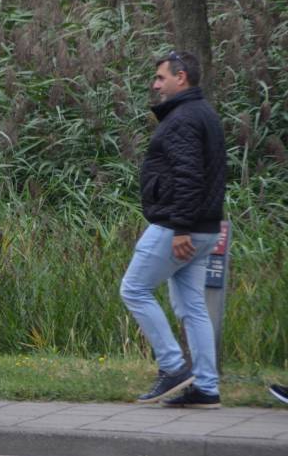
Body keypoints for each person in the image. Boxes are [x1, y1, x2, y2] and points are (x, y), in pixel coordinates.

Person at [120, 50, 226, 409]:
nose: (155, 84)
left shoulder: (183, 119)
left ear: (182, 78)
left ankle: (172, 367)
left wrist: (180, 228)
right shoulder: (205, 114)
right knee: (192, 305)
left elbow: (188, 176)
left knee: (134, 289)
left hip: (178, 226)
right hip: (206, 226)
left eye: (160, 77)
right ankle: (207, 387)